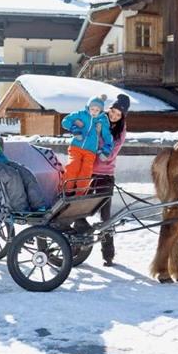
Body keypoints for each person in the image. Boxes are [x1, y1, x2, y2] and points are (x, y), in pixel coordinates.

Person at [90, 94, 130, 266]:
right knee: (76, 208)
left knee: (105, 216)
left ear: (122, 117)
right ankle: (78, 238)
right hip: (86, 172)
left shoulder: (120, 131)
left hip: (105, 175)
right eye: (113, 111)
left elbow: (109, 155)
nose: (114, 116)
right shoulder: (98, 119)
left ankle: (108, 254)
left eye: (118, 114)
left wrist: (97, 148)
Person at [61, 95, 113, 196]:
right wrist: (74, 128)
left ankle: (80, 193)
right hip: (76, 146)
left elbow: (107, 136)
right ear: (88, 107)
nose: (94, 111)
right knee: (73, 166)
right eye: (92, 109)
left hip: (91, 150)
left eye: (97, 110)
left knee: (86, 172)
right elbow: (65, 121)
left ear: (101, 111)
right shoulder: (81, 114)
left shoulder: (102, 120)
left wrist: (107, 149)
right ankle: (66, 191)